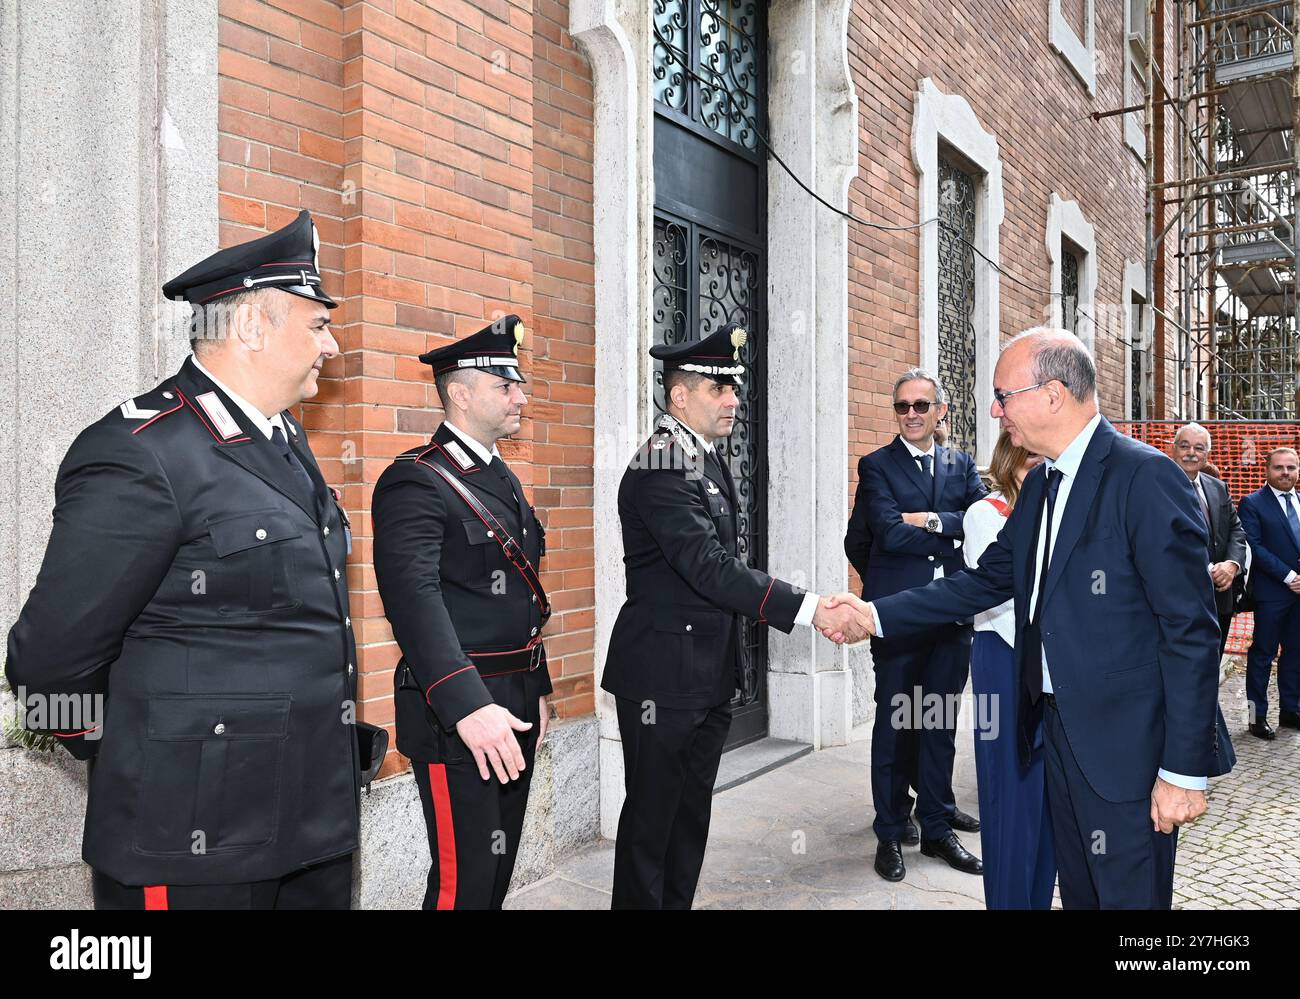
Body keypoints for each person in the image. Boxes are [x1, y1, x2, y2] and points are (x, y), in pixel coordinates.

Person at [6, 210, 361, 909]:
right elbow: (48, 663)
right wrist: (151, 750)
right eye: (318, 325)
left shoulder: (284, 438)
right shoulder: (143, 451)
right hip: (195, 837)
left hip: (309, 825)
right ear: (254, 326)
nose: (333, 346)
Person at [831, 328, 1227, 909]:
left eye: (1002, 394)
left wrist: (1183, 771)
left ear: (1053, 394)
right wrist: (872, 614)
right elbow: (982, 582)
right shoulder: (1041, 482)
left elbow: (1190, 631)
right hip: (1053, 736)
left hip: (1128, 752)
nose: (994, 410)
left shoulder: (1144, 477)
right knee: (1083, 895)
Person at [603, 323, 860, 909]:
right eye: (718, 388)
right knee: (651, 821)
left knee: (688, 816)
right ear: (678, 397)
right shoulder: (662, 464)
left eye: (734, 388)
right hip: (663, 678)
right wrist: (811, 607)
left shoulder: (702, 457)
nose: (732, 400)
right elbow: (711, 567)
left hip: (706, 674)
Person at [372, 315, 552, 909]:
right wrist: (468, 705)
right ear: (460, 392)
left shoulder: (501, 476)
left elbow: (523, 595)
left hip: (516, 698)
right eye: (506, 385)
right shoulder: (416, 480)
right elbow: (413, 600)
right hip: (459, 710)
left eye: (519, 384)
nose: (520, 396)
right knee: (462, 881)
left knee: (496, 873)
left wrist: (539, 684)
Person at [842, 368, 987, 883]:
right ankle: (890, 829)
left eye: (921, 406)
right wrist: (943, 532)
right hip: (899, 616)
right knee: (898, 721)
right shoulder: (876, 465)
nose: (910, 415)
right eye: (902, 406)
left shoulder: (961, 463)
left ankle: (936, 823)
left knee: (940, 720)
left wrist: (924, 521)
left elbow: (979, 523)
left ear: (940, 411)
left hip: (950, 613)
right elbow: (881, 533)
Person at [962, 431, 1054, 909]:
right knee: (1008, 793)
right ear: (1010, 459)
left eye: (1045, 458)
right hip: (1005, 661)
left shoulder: (1056, 512)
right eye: (1031, 458)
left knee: (1047, 799)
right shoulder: (985, 514)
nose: (1039, 467)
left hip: (1051, 667)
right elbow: (997, 595)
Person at [1236, 447, 1300, 739]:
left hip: (1299, 594)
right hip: (1271, 593)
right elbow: (1255, 547)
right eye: (1279, 468)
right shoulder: (1252, 503)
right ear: (1267, 469)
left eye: (1291, 467)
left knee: (1296, 653)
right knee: (1262, 654)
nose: (1285, 473)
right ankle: (1255, 716)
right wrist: (1289, 576)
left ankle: (1290, 710)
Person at [1171, 423, 1246, 660]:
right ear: (1173, 450)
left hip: (1219, 597)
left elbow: (1236, 529)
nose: (1191, 453)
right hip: (1177, 599)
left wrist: (1232, 564)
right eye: (1185, 446)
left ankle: (1210, 699)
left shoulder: (1217, 486)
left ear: (1207, 454)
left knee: (1212, 662)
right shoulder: (1156, 486)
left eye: (1198, 448)